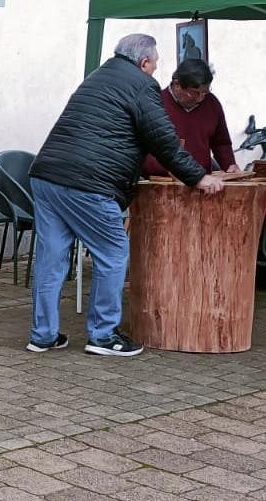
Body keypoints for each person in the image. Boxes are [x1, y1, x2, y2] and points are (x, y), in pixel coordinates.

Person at [27, 34, 224, 358]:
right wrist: (198, 176)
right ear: (144, 62)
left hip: (47, 176)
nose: (156, 69)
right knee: (114, 253)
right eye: (155, 63)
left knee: (51, 259)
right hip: (89, 184)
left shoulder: (98, 77)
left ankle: (43, 335)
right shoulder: (142, 85)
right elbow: (163, 139)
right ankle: (103, 335)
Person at [142, 59, 239, 176]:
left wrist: (229, 165)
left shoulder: (211, 103)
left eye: (205, 92)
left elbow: (221, 143)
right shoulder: (155, 104)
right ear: (177, 85)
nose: (200, 98)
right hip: (160, 181)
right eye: (194, 93)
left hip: (203, 180)